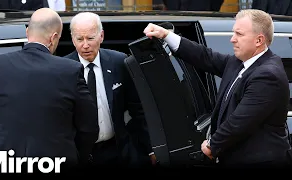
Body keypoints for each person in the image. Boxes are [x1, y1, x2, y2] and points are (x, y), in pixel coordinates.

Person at [143, 9, 292, 167]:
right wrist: (166, 35)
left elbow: (239, 121)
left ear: (259, 40)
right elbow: (205, 56)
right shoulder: (239, 62)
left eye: (239, 34)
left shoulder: (268, 75)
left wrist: (212, 145)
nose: (232, 39)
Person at [0, 8, 99, 171]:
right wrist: (72, 154)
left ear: (27, 32)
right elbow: (89, 128)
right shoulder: (70, 70)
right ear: (54, 38)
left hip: (4, 164)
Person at [64, 12, 156, 167]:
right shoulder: (63, 69)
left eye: (90, 38)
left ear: (101, 36)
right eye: (79, 39)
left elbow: (138, 110)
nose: (85, 45)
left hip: (117, 151)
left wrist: (151, 149)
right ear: (72, 39)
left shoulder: (119, 62)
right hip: (78, 154)